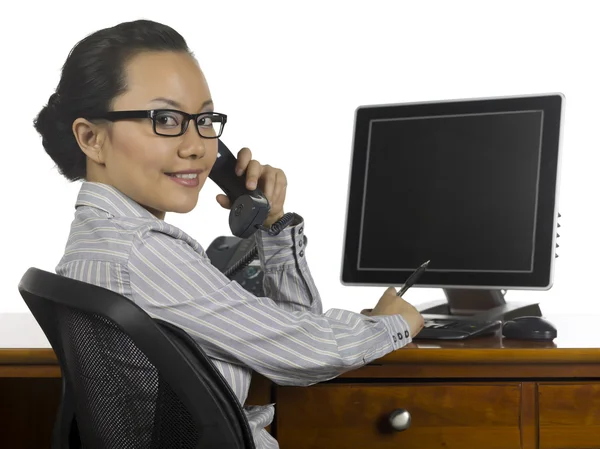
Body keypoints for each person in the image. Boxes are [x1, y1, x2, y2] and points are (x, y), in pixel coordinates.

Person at [33, 19, 424, 449]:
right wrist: (393, 325)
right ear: (91, 138)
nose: (198, 146)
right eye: (165, 119)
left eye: (204, 119)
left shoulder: (98, 241)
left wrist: (271, 224)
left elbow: (295, 331)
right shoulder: (143, 252)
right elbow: (308, 353)